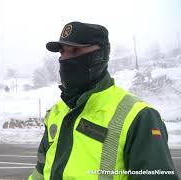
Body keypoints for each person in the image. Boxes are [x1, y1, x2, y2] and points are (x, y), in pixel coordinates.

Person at [29, 21, 178, 180]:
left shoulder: (139, 117)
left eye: (76, 50)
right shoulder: (57, 112)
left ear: (100, 56)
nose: (65, 59)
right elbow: (40, 172)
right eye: (62, 52)